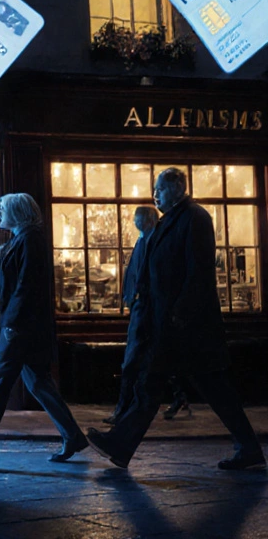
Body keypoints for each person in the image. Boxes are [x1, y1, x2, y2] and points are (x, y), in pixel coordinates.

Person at [87, 168, 264, 470]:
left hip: (186, 327)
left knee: (199, 387)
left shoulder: (195, 218)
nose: (154, 194)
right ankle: (121, 444)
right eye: (154, 189)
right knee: (158, 384)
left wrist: (180, 313)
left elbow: (199, 271)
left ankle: (248, 448)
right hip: (169, 324)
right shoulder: (172, 219)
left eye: (160, 188)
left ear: (177, 188)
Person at [0, 193, 87, 466]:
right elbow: (9, 289)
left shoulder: (30, 240)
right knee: (39, 384)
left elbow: (26, 289)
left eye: (2, 210)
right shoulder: (19, 240)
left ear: (18, 212)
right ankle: (73, 436)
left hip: (21, 329)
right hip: (22, 327)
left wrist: (12, 323)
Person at [104, 206, 160, 425]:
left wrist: (135, 297)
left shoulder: (152, 241)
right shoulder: (142, 240)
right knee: (140, 362)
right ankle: (129, 409)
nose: (135, 222)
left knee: (133, 362)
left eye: (139, 219)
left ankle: (125, 410)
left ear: (148, 220)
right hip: (140, 306)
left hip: (146, 308)